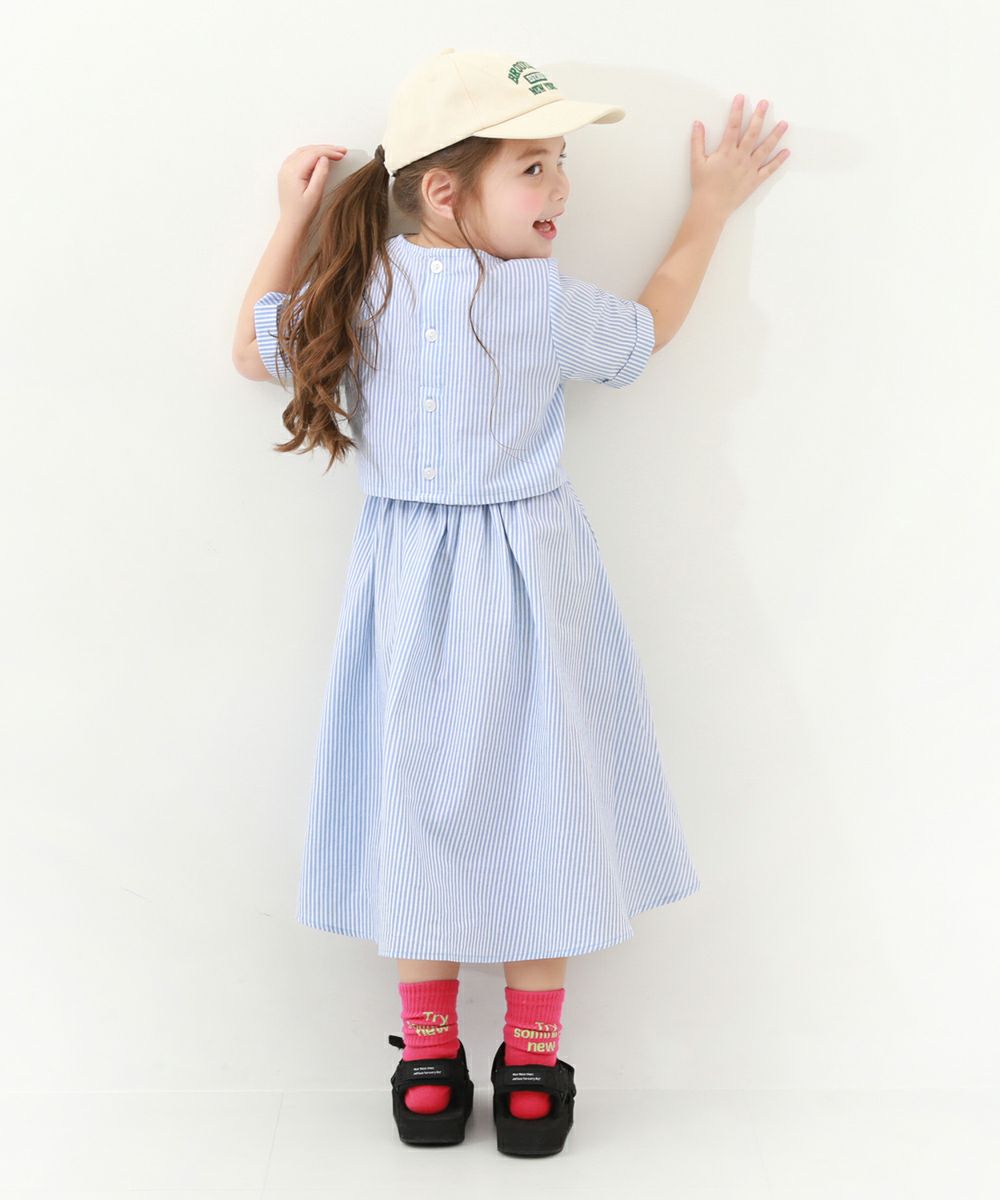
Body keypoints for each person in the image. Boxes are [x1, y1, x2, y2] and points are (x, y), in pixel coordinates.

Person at [232, 48, 790, 1154]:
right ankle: (530, 1073)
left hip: (406, 590)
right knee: (548, 801)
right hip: (530, 585)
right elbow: (648, 327)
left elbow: (255, 348)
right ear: (446, 190)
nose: (562, 190)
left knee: (414, 807)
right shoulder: (535, 301)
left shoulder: (360, 292)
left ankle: (429, 1066)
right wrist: (711, 210)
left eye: (558, 164)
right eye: (534, 167)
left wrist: (292, 222)